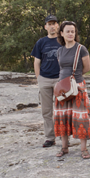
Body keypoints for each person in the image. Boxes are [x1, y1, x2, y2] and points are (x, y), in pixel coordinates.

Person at [53, 21, 90, 159]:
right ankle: (64, 148)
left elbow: (86, 68)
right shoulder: (60, 50)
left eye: (73, 31)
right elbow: (62, 68)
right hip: (63, 88)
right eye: (68, 31)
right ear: (62, 33)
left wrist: (75, 80)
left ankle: (84, 149)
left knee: (81, 118)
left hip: (77, 87)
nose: (70, 34)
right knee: (62, 118)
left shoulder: (81, 49)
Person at [31, 15, 61, 148]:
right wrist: (39, 78)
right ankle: (50, 137)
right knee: (46, 111)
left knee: (62, 109)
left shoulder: (62, 40)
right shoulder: (41, 42)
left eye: (54, 23)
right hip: (45, 79)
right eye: (49, 24)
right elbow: (37, 61)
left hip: (60, 79)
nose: (52, 26)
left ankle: (64, 136)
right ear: (45, 27)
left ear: (58, 25)